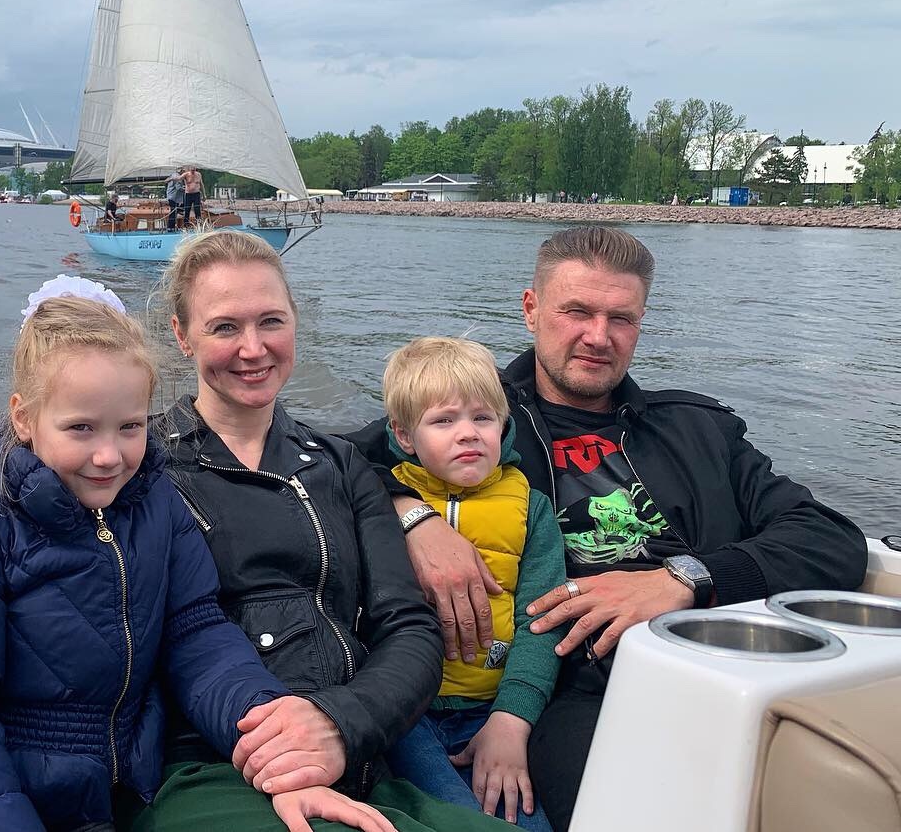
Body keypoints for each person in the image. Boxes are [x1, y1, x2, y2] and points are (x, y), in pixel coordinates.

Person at [345, 225, 868, 830]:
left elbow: (829, 538)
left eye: (621, 318)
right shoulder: (477, 416)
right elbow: (325, 463)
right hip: (577, 682)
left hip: (722, 661)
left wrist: (683, 579)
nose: (598, 337)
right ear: (531, 309)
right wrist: (412, 516)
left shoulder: (697, 429)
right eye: (577, 312)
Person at [0, 277, 387, 832]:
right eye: (81, 429)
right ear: (24, 418)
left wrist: (275, 751)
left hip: (135, 784)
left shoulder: (156, 505)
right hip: (22, 797)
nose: (108, 456)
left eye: (129, 427)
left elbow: (197, 636)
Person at [120, 230, 509, 832]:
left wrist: (339, 722)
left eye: (271, 321)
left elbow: (408, 628)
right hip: (205, 766)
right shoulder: (136, 463)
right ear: (182, 335)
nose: (253, 348)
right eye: (225, 327)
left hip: (355, 756)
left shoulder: (340, 466)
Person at [379, 337, 564, 830]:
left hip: (492, 708)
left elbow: (542, 619)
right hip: (405, 712)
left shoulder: (532, 509)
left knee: (524, 818)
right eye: (443, 421)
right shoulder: (372, 498)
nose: (468, 434)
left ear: (503, 425)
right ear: (404, 435)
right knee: (457, 817)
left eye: (482, 417)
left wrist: (512, 717)